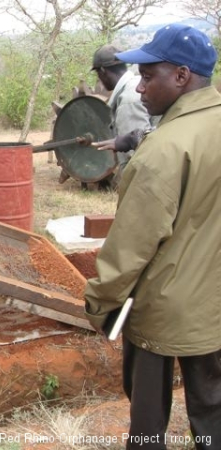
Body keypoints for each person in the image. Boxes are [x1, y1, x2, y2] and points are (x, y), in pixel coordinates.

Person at [84, 24, 221, 448]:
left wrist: (98, 303)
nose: (139, 89)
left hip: (160, 312)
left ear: (181, 76)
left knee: (146, 420)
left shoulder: (163, 150)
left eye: (147, 76)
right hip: (214, 307)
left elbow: (130, 249)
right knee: (213, 410)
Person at [90, 44, 156, 189]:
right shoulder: (134, 86)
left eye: (98, 74)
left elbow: (137, 155)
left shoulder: (128, 99)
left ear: (102, 71)